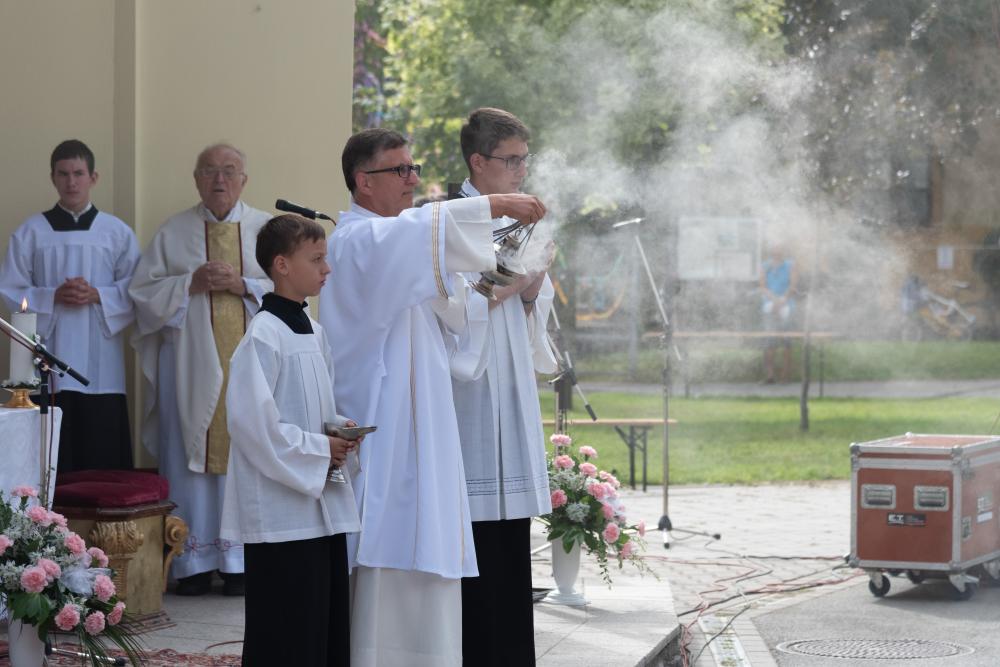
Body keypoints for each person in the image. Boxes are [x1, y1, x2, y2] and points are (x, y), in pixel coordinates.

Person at [318, 128, 546, 667]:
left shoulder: (400, 247)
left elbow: (460, 313)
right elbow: (421, 231)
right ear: (362, 181)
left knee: (433, 550)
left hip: (425, 430)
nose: (413, 179)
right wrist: (494, 205)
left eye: (414, 168)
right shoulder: (355, 240)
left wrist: (512, 274)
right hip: (386, 428)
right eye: (399, 170)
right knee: (388, 555)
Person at [129, 143, 272, 596]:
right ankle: (189, 562)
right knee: (187, 458)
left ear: (244, 180)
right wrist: (188, 284)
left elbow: (292, 285)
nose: (219, 179)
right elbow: (142, 295)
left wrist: (243, 284)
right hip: (188, 371)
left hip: (250, 369)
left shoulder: (266, 229)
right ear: (196, 179)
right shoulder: (173, 232)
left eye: (229, 170)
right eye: (209, 171)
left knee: (246, 455)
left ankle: (238, 564)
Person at [222, 213, 360, 666]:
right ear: (282, 265)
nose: (327, 268)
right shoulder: (263, 335)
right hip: (281, 514)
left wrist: (338, 430)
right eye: (316, 259)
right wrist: (321, 449)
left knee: (323, 622)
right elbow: (253, 426)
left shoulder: (314, 332)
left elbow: (316, 407)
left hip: (320, 507)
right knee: (286, 628)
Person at [450, 108, 557, 667]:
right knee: (474, 533)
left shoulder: (522, 221)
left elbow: (525, 305)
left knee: (510, 533)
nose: (521, 171)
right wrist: (515, 278)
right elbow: (456, 305)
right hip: (468, 391)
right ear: (478, 161)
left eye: (524, 159)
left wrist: (534, 288)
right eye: (511, 160)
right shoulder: (450, 221)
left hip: (509, 379)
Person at [0, 139, 139, 472]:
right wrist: (52, 296)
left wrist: (98, 295)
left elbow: (138, 288)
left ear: (94, 177)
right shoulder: (31, 232)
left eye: (78, 173)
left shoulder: (116, 232)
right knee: (51, 457)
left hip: (101, 364)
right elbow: (10, 288)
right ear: (53, 178)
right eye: (63, 174)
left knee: (101, 458)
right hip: (49, 356)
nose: (71, 182)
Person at [760, 242, 798, 383]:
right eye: (774, 248)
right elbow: (763, 287)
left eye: (779, 248)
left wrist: (782, 300)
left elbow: (793, 286)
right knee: (769, 341)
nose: (777, 251)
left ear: (783, 250)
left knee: (787, 342)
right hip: (769, 305)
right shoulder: (765, 266)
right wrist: (774, 300)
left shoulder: (790, 265)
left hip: (787, 306)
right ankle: (770, 376)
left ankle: (785, 376)